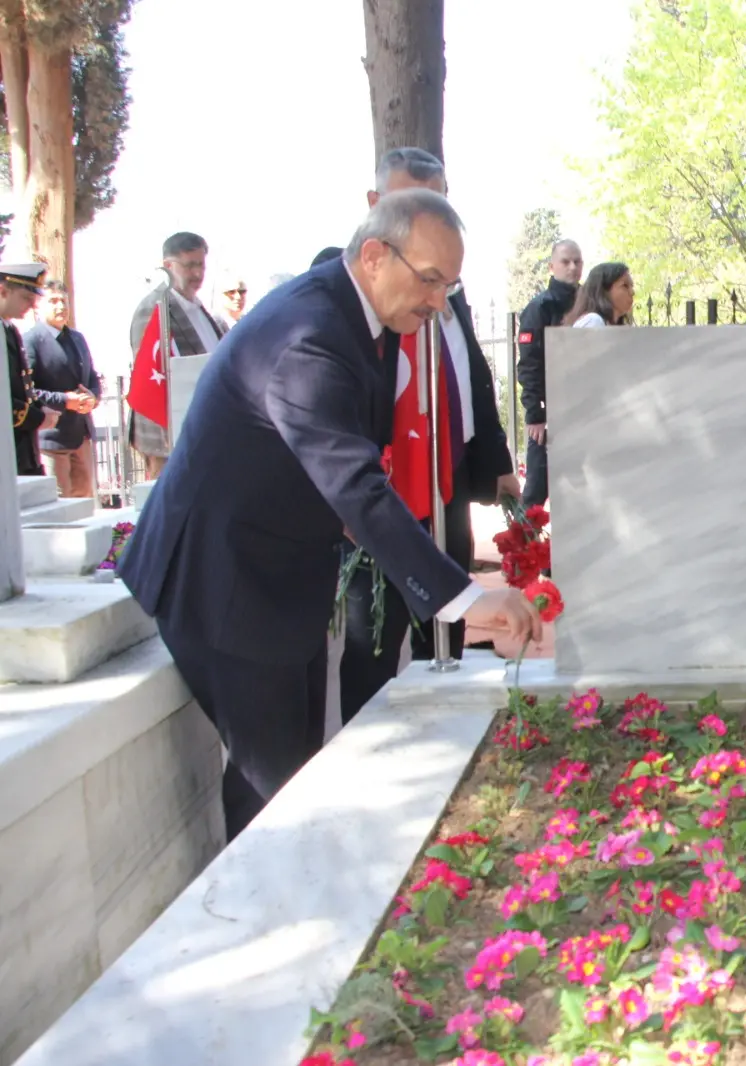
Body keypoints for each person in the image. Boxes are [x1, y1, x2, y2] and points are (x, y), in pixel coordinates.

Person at [117, 189, 542, 842]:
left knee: (297, 771)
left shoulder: (358, 316)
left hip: (279, 578)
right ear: (375, 255)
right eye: (429, 280)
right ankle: (266, 924)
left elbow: (341, 475)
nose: (438, 302)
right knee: (274, 791)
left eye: (449, 286)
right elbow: (353, 484)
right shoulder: (310, 334)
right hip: (223, 584)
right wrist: (461, 600)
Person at [337, 148, 520, 727]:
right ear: (374, 208)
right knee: (376, 636)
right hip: (383, 488)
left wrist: (494, 460)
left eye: (437, 201)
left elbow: (470, 378)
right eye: (408, 202)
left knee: (445, 626)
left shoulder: (446, 289)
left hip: (447, 477)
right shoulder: (355, 290)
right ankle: (367, 744)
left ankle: (444, 732)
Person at [128, 233, 226, 477]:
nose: (197, 274)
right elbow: (150, 374)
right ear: (168, 266)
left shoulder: (201, 309)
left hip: (204, 424)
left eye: (201, 265)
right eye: (189, 265)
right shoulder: (155, 307)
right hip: (167, 435)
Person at [516, 240, 583, 509]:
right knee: (535, 494)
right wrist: (535, 415)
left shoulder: (589, 303)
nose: (572, 267)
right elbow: (529, 365)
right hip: (549, 417)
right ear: (551, 266)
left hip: (581, 413)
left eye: (577, 261)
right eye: (566, 261)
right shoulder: (539, 308)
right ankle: (521, 549)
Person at [25, 282, 101, 498]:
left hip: (81, 437)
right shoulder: (31, 340)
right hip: (51, 440)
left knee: (85, 505)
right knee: (60, 509)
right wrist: (64, 400)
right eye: (53, 301)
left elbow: (92, 377)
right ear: (38, 306)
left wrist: (93, 398)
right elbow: (27, 390)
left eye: (64, 301)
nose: (60, 306)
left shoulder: (77, 338)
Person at [3, 263, 47, 477]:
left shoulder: (10, 330)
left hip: (21, 449)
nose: (31, 306)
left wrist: (40, 409)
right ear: (3, 291)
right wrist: (37, 417)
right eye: (26, 298)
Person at [564, 262, 634, 327]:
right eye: (625, 285)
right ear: (603, 290)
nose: (632, 292)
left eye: (632, 287)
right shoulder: (593, 321)